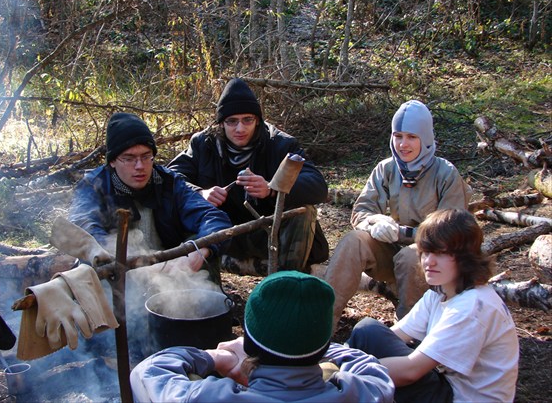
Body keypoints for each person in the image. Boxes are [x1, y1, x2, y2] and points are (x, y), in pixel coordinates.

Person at [130, 270, 395, 402]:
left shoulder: (209, 396)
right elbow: (363, 361)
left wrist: (213, 358)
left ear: (249, 339)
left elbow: (147, 372)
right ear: (324, 342)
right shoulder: (368, 391)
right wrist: (319, 347)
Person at [346, 208, 519, 403]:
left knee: (359, 371)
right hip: (446, 385)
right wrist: (339, 356)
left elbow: (411, 371)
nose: (429, 262)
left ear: (466, 257)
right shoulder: (439, 293)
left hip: (460, 397)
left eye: (441, 253)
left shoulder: (472, 306)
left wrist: (349, 372)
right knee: (367, 330)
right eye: (425, 252)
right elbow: (392, 336)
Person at [324, 100, 470, 325]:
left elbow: (451, 231)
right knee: (354, 241)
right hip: (391, 256)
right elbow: (362, 211)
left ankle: (410, 332)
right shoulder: (386, 169)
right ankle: (322, 324)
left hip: (435, 260)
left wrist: (403, 233)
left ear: (426, 139)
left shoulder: (446, 173)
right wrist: (375, 221)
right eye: (398, 136)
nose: (403, 144)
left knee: (410, 257)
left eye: (412, 137)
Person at [168, 78, 329, 275]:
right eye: (232, 121)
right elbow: (170, 178)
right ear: (221, 123)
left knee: (304, 211)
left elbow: (318, 186)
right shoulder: (203, 144)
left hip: (270, 234)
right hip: (221, 232)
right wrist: (200, 193)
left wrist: (272, 188)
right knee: (178, 205)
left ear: (258, 120)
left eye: (247, 120)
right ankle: (188, 284)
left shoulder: (279, 144)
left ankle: (285, 286)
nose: (240, 129)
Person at [68, 112, 233, 278]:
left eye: (146, 156)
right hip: (117, 275)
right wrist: (125, 259)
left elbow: (212, 217)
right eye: (129, 158)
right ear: (112, 161)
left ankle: (204, 300)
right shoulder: (95, 185)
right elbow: (82, 226)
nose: (140, 166)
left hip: (170, 271)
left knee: (203, 244)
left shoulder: (169, 182)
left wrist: (199, 251)